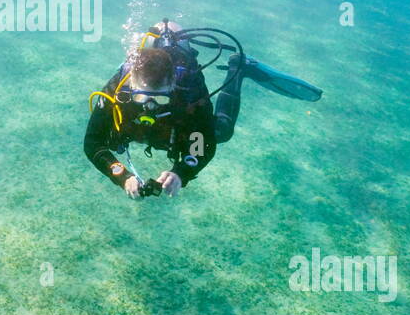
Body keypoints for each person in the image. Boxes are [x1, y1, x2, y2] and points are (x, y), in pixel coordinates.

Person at [83, 20, 322, 199]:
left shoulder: (188, 90)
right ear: (131, 84)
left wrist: (181, 172)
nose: (150, 106)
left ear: (173, 85)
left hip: (180, 79)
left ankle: (239, 67)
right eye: (142, 97)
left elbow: (204, 142)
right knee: (114, 134)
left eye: (160, 99)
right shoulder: (116, 92)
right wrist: (121, 176)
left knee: (222, 131)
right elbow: (93, 143)